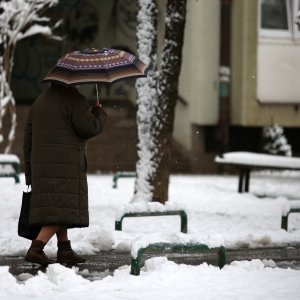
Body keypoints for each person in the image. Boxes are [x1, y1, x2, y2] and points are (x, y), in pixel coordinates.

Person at [23, 83, 107, 266]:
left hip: (42, 166)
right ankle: (36, 248)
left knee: (60, 207)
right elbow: (89, 128)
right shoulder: (74, 100)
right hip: (65, 166)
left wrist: (30, 171)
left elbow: (28, 136)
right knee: (62, 209)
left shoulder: (40, 100)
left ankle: (65, 249)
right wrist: (99, 113)